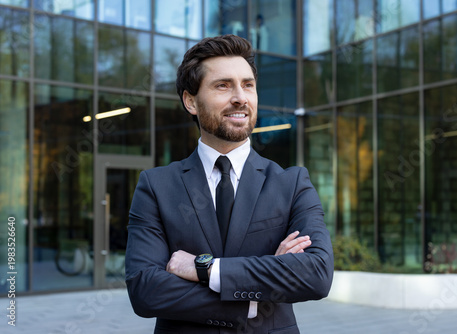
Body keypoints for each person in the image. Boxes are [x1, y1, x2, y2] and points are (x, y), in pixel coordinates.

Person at [125, 34, 334, 334]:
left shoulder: (292, 183)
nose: (240, 97)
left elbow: (316, 274)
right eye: (223, 85)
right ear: (191, 101)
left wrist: (206, 269)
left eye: (248, 85)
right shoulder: (157, 187)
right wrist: (255, 295)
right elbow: (146, 290)